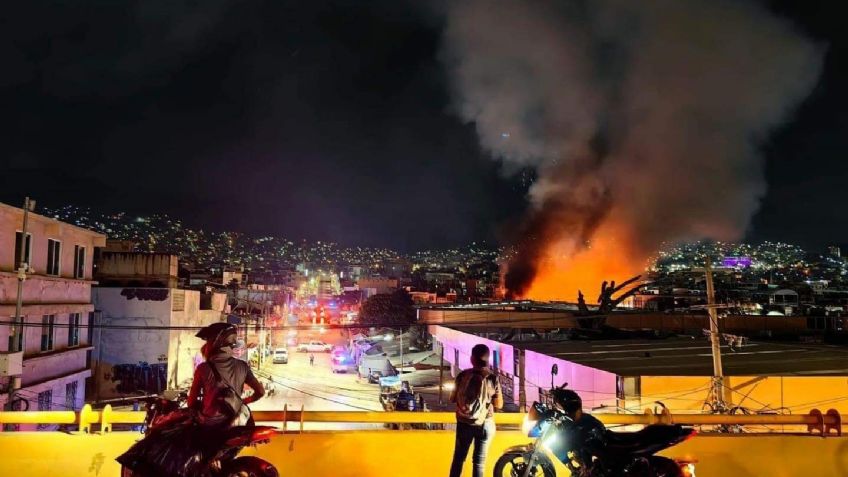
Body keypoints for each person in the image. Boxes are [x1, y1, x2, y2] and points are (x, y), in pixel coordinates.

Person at [117, 323, 265, 476]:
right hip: (236, 424)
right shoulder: (243, 366)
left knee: (169, 438)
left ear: (216, 342)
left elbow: (191, 403)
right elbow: (260, 392)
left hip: (210, 425)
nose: (206, 345)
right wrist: (242, 402)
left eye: (208, 341)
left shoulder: (204, 368)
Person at [449, 344, 503, 477]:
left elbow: (452, 398)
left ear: (472, 359)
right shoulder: (492, 378)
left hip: (464, 423)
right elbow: (499, 404)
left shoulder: (462, 375)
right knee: (479, 463)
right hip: (485, 423)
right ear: (488, 359)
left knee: (458, 460)